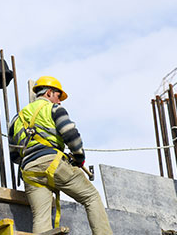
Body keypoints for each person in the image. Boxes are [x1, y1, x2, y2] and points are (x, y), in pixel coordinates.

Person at [7, 76, 112, 234]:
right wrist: (79, 158)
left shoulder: (16, 119)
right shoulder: (54, 109)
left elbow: (14, 156)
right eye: (58, 96)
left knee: (41, 218)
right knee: (91, 197)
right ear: (49, 93)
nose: (60, 101)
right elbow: (71, 136)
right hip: (53, 163)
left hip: (29, 172)